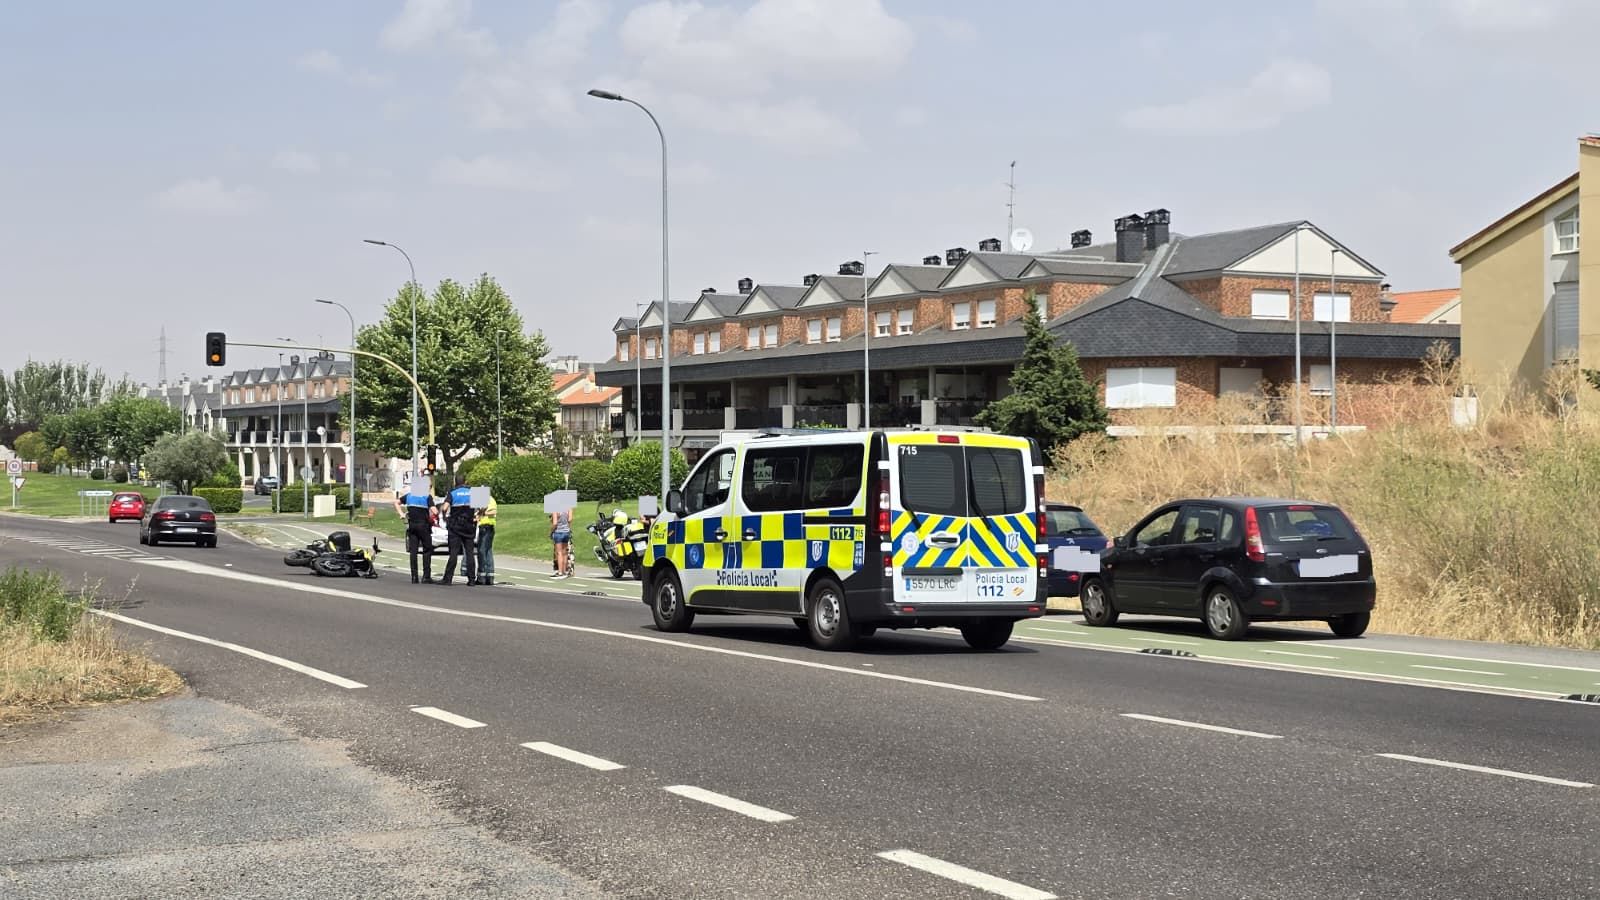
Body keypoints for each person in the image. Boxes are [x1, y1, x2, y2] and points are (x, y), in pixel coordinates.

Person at [393, 478, 435, 584]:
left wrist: (402, 514)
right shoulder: (427, 496)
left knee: (413, 551)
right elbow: (434, 511)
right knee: (427, 550)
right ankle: (426, 576)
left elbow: (396, 502)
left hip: (412, 526)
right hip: (424, 526)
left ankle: (414, 577)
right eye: (429, 486)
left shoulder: (409, 496)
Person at [439, 474, 477, 586]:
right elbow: (483, 507)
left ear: (455, 482)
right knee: (469, 553)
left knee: (453, 553)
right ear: (466, 481)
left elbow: (444, 508)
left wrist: (445, 517)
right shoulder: (473, 491)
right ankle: (471, 579)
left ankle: (447, 579)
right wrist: (477, 516)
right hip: (469, 525)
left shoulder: (452, 493)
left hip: (455, 526)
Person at [475, 489, 498, 586]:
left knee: (482, 551)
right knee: (487, 551)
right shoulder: (483, 501)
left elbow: (494, 511)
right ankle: (488, 576)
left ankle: (482, 576)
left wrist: (483, 513)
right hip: (484, 528)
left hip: (486, 528)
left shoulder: (489, 500)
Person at [550, 502, 573, 579]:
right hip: (566, 532)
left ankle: (560, 572)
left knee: (559, 553)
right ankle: (564, 571)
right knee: (565, 553)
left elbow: (555, 523)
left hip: (558, 532)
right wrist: (567, 527)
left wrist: (551, 531)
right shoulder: (568, 508)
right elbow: (570, 519)